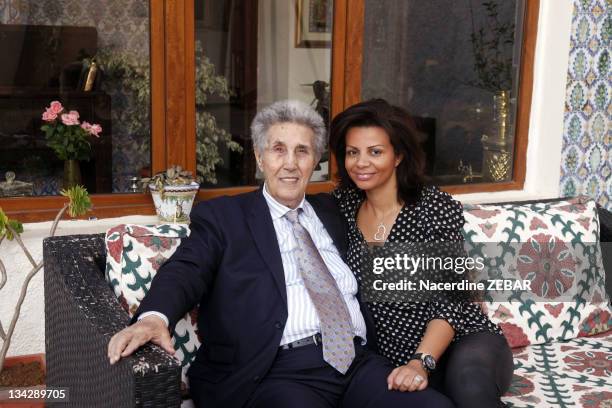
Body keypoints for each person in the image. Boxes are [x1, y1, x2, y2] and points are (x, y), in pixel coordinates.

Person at [107, 100, 454, 408]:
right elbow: (186, 269)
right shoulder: (225, 217)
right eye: (278, 149)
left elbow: (395, 216)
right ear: (260, 157)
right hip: (275, 370)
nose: (290, 163)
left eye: (302, 151)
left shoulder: (336, 211)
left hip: (357, 362)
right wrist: (154, 317)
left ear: (315, 160)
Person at [329, 98, 514, 408]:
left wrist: (420, 362)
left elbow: (450, 300)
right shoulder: (343, 206)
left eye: (375, 152)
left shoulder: (432, 208)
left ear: (399, 155)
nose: (361, 163)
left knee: (468, 384)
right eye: (352, 152)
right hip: (391, 358)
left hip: (461, 342)